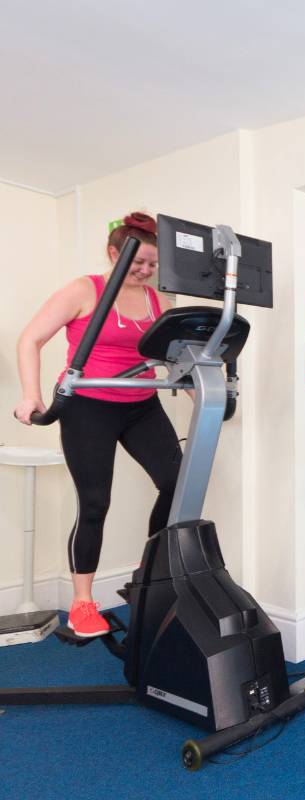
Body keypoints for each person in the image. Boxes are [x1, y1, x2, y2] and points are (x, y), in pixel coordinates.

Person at [13, 212, 178, 638]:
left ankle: (149, 570)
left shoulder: (162, 299)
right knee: (95, 503)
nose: (145, 271)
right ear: (113, 254)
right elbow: (30, 338)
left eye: (152, 264)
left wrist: (208, 399)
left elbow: (178, 357)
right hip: (87, 406)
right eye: (137, 262)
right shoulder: (85, 290)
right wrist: (31, 396)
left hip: (141, 403)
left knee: (178, 481)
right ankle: (82, 601)